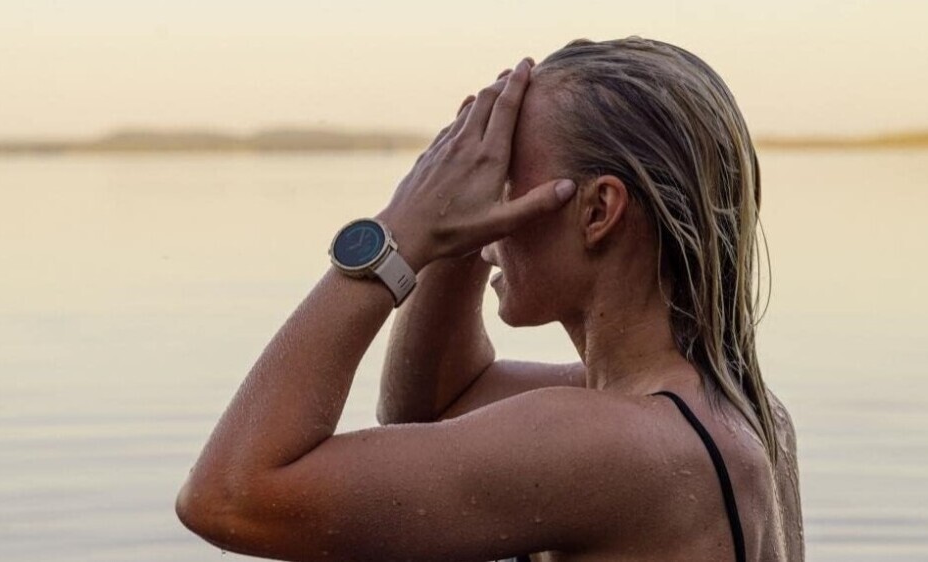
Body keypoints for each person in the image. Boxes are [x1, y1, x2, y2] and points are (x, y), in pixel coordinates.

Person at [176, 36, 804, 562]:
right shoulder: (739, 408)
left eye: (503, 179)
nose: (485, 209)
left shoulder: (611, 442)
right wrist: (453, 239)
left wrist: (396, 239)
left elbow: (230, 497)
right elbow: (431, 402)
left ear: (597, 212)